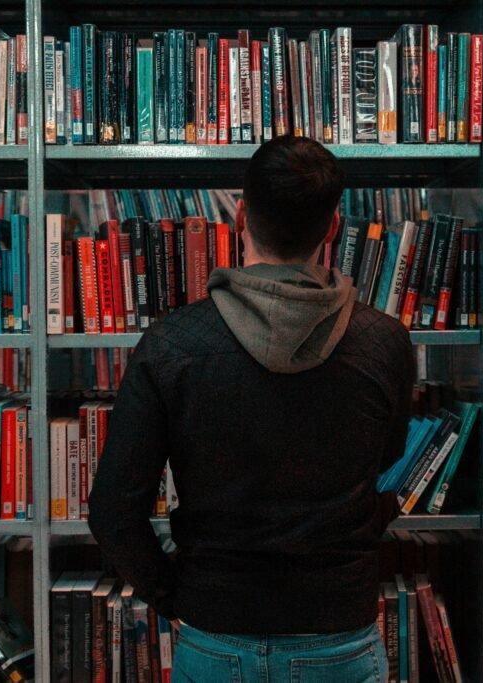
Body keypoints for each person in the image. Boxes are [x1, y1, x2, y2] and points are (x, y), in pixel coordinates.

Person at [88, 135, 414, 682]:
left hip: (215, 629)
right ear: (332, 227)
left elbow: (113, 511)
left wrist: (178, 595)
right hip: (337, 629)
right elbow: (386, 461)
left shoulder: (174, 344)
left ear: (239, 216)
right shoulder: (384, 344)